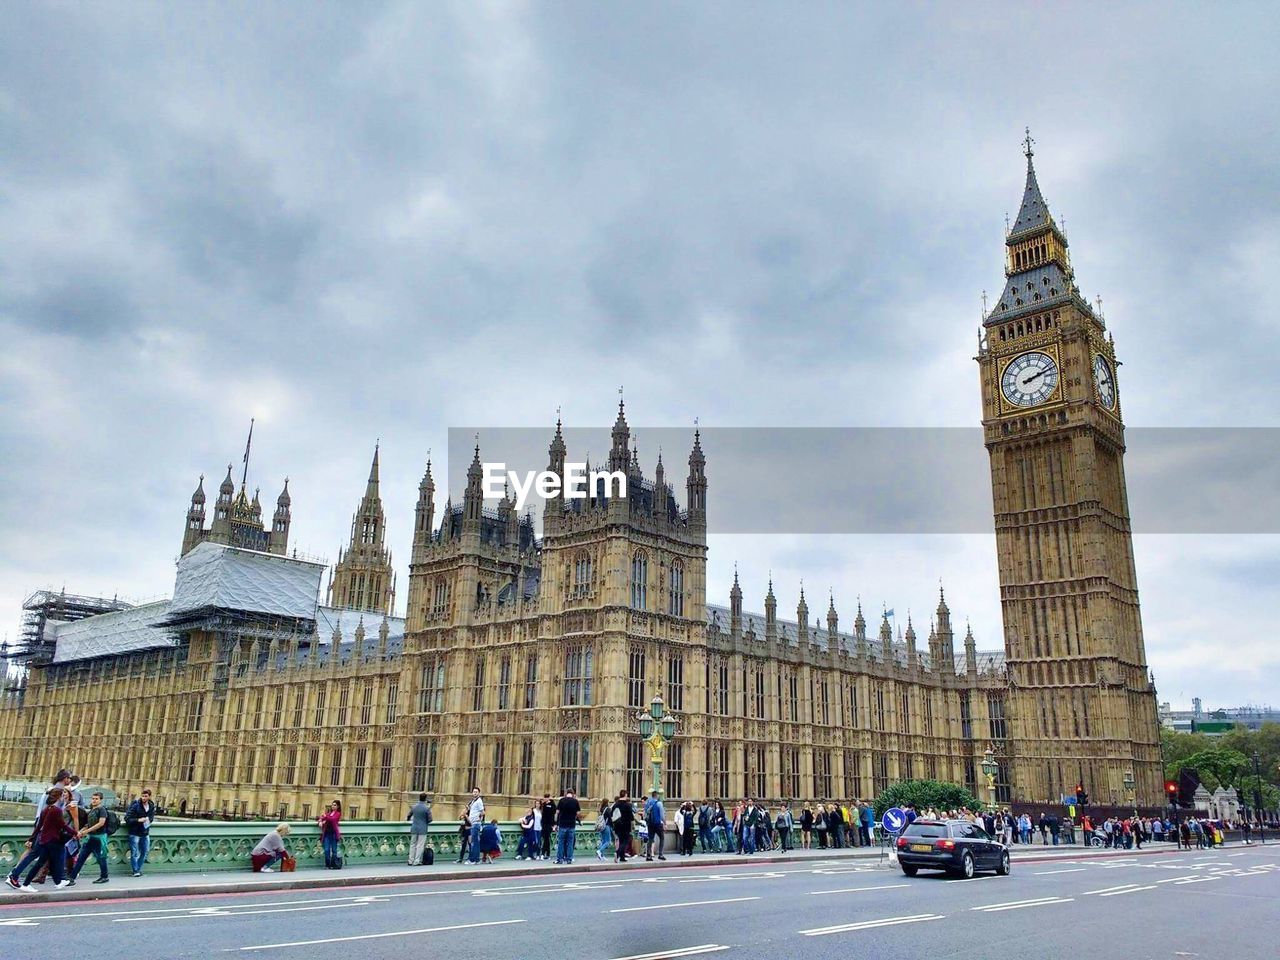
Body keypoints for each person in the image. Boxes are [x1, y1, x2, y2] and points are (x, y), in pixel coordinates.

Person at [6, 787, 75, 890]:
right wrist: (76, 833)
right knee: (46, 858)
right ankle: (17, 877)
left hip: (41, 837)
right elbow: (62, 824)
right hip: (47, 839)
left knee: (37, 857)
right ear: (58, 797)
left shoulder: (46, 809)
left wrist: (31, 838)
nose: (63, 797)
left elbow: (39, 826)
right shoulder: (56, 810)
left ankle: (59, 880)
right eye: (62, 795)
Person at [69, 791, 112, 884]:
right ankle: (71, 878)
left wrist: (86, 831)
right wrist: (80, 832)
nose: (94, 800)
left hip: (99, 838)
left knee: (101, 858)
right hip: (91, 838)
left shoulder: (102, 810)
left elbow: (101, 823)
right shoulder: (92, 810)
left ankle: (104, 876)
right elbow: (88, 824)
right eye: (93, 798)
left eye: (96, 799)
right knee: (81, 857)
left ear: (101, 800)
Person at [125, 788, 156, 877]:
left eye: (145, 796)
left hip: (145, 832)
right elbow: (127, 819)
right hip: (134, 833)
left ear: (149, 797)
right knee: (135, 852)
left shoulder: (151, 806)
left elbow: (151, 818)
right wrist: (138, 820)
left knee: (145, 851)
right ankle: (135, 871)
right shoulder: (135, 805)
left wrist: (148, 820)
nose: (143, 798)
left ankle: (138, 869)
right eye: (142, 796)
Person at [554, 787, 582, 864]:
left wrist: (556, 824)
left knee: (561, 842)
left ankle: (559, 859)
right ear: (572, 793)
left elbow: (557, 812)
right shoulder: (575, 801)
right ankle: (569, 859)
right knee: (570, 843)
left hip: (562, 824)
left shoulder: (562, 800)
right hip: (571, 825)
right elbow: (578, 813)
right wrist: (574, 818)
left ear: (566, 793)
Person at [407, 793, 433, 866]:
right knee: (420, 845)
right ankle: (417, 861)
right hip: (423, 829)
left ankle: (410, 860)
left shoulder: (414, 807)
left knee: (412, 844)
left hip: (414, 828)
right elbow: (430, 819)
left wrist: (409, 819)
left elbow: (409, 815)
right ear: (425, 799)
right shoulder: (426, 808)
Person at [611, 790, 635, 863]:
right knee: (626, 841)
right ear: (625, 795)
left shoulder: (615, 804)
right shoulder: (627, 805)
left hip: (617, 826)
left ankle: (622, 857)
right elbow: (631, 817)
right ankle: (618, 853)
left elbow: (612, 814)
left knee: (621, 841)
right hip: (625, 826)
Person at [318, 799, 343, 868]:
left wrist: (325, 817)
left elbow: (333, 819)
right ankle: (328, 864)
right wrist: (320, 821)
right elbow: (321, 817)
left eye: (335, 805)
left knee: (334, 850)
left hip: (334, 834)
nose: (333, 806)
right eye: (332, 805)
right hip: (327, 834)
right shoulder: (329, 814)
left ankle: (334, 864)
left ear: (338, 806)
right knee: (326, 850)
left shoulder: (338, 814)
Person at [643, 791, 666, 861]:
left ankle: (648, 856)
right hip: (657, 823)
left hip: (650, 823)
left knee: (650, 839)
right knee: (662, 837)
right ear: (657, 796)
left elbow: (645, 813)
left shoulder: (647, 803)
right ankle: (660, 854)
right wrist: (665, 823)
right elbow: (662, 815)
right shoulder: (659, 803)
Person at [466, 788, 485, 865]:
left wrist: (478, 819)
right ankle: (476, 859)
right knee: (475, 842)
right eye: (474, 792)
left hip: (475, 824)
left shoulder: (479, 801)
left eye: (476, 792)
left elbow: (483, 812)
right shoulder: (474, 801)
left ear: (479, 793)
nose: (475, 793)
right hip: (473, 823)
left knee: (474, 842)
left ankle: (473, 860)